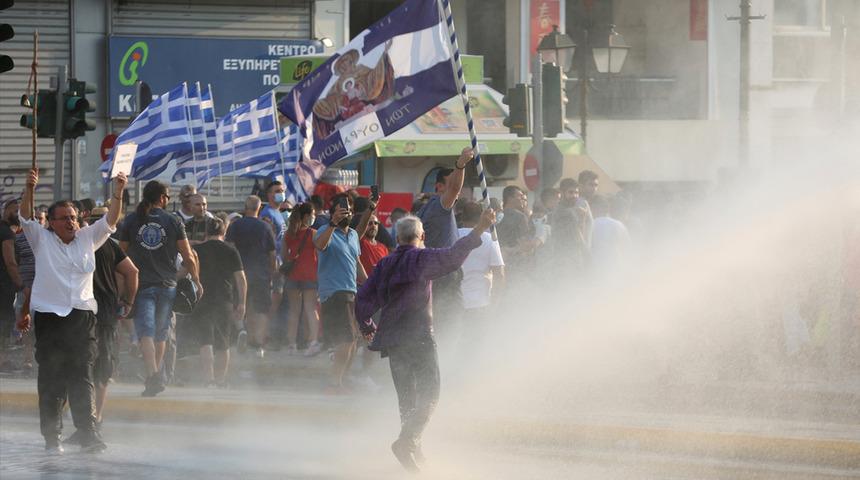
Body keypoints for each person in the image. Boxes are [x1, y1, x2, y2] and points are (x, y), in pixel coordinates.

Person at [355, 209, 497, 472]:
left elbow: (363, 298)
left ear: (398, 238)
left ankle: (413, 447)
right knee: (431, 392)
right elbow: (453, 256)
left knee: (407, 397)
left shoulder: (385, 264)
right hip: (418, 336)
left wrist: (367, 326)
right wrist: (480, 228)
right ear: (421, 236)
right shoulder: (421, 258)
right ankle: (407, 441)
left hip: (394, 339)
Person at [18, 167, 127, 454]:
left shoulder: (88, 238)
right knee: (52, 377)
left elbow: (111, 219)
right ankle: (51, 436)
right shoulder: (40, 239)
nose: (71, 222)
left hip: (81, 317)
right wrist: (29, 188)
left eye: (74, 217)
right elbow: (25, 216)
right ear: (52, 223)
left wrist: (118, 191)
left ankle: (87, 432)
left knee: (82, 373)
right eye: (65, 218)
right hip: (50, 319)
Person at [120, 180, 202, 397]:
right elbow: (188, 256)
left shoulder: (131, 220)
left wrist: (121, 283)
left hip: (141, 284)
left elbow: (120, 254)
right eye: (167, 196)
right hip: (167, 285)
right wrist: (196, 280)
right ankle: (154, 376)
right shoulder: (173, 221)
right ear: (162, 198)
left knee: (145, 331)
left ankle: (153, 375)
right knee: (161, 332)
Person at [66, 209, 138, 445]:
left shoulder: (73, 243)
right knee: (101, 368)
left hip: (80, 313)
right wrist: (127, 301)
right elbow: (132, 272)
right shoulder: (109, 244)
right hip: (105, 313)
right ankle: (94, 420)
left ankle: (87, 423)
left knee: (81, 368)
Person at [313, 193, 372, 393]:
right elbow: (320, 245)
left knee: (353, 341)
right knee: (346, 340)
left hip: (351, 291)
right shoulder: (324, 230)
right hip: (334, 293)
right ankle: (333, 383)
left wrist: (370, 285)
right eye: (341, 210)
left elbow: (356, 263)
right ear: (333, 213)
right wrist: (333, 223)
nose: (346, 213)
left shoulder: (353, 235)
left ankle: (340, 381)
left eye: (348, 210)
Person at [416, 148, 474, 335]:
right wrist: (461, 164)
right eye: (451, 182)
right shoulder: (439, 206)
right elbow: (455, 189)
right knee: (452, 324)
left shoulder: (424, 209)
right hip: (445, 275)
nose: (457, 187)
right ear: (439, 186)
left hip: (432, 274)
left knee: (438, 323)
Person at [191, 218, 247, 386]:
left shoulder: (198, 250)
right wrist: (242, 303)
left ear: (206, 232)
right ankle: (221, 381)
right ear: (224, 232)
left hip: (202, 298)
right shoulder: (231, 250)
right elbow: (241, 279)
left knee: (205, 340)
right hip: (224, 299)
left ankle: (209, 380)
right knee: (223, 342)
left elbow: (185, 271)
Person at [226, 196, 276, 358]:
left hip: (239, 273)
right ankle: (258, 345)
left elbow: (230, 248)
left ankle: (241, 331)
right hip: (261, 274)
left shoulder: (235, 225)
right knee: (260, 309)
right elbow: (272, 254)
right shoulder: (265, 227)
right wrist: (271, 272)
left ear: (245, 207)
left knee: (239, 305)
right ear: (259, 208)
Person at [282, 203, 321, 356]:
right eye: (312, 214)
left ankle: (291, 344)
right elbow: (320, 256)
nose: (314, 217)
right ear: (306, 216)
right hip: (310, 275)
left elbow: (284, 256)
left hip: (293, 276)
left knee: (294, 311)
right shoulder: (314, 234)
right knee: (311, 309)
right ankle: (313, 342)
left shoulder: (289, 234)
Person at [1, 199, 22, 363]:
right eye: (15, 211)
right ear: (6, 210)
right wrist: (20, 284)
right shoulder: (7, 233)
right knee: (4, 322)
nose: (18, 214)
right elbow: (10, 262)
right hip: (4, 286)